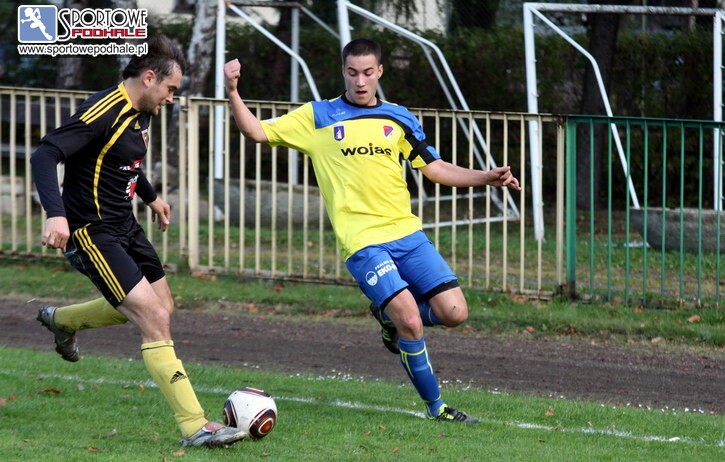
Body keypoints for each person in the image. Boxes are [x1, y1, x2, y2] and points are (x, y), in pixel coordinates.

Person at [224, 38, 521, 423]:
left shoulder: (398, 118)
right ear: (343, 72)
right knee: (410, 319)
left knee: (454, 312)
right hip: (363, 241)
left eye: (367, 72)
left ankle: (387, 317)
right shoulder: (319, 116)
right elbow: (257, 132)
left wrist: (486, 177)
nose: (360, 81)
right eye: (352, 73)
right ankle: (438, 409)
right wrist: (233, 92)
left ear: (379, 71)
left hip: (407, 235)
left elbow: (434, 168)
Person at [31, 35, 245, 448]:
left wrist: (150, 197)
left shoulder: (141, 110)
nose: (171, 98)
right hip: (92, 231)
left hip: (125, 226)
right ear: (149, 78)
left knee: (163, 306)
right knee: (153, 317)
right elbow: (45, 154)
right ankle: (195, 426)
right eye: (170, 89)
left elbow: (124, 159)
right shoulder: (102, 111)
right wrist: (55, 214)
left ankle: (64, 320)